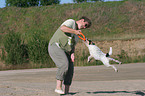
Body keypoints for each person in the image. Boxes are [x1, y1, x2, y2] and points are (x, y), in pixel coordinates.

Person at [48, 16, 91, 94]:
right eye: (85, 25)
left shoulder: (77, 35)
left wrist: (72, 54)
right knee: (64, 64)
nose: (85, 27)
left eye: (86, 27)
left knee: (70, 68)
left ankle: (66, 92)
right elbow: (63, 28)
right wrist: (74, 31)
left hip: (66, 51)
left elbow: (72, 46)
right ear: (82, 20)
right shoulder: (71, 22)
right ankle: (58, 87)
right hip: (55, 45)